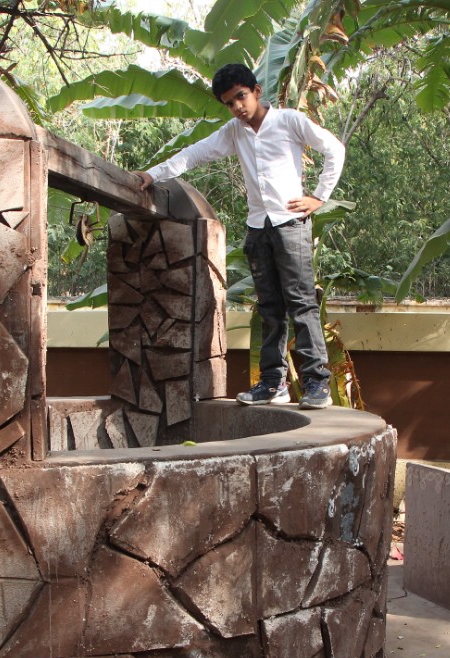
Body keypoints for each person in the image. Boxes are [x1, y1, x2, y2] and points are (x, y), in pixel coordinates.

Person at [134, 63, 345, 409]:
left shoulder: (289, 121)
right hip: (258, 227)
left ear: (256, 91)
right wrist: (152, 175)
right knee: (269, 309)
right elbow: (193, 154)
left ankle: (316, 384)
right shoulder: (234, 131)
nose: (237, 107)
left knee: (302, 304)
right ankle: (273, 384)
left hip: (291, 225)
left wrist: (319, 196)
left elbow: (334, 149)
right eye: (229, 103)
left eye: (241, 97)